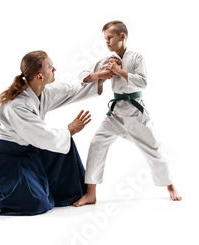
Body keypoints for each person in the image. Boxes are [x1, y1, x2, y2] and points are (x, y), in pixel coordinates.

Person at [0, 50, 114, 216]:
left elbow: (72, 90)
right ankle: (9, 189)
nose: (54, 69)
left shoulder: (42, 92)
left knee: (65, 145)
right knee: (36, 203)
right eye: (50, 67)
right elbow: (42, 136)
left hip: (28, 151)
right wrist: (70, 130)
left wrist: (98, 77)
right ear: (39, 76)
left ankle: (57, 189)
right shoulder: (17, 104)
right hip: (6, 161)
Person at [74, 21, 182, 207]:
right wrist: (99, 75)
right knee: (96, 144)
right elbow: (82, 76)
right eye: (105, 39)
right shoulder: (106, 60)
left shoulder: (137, 57)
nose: (107, 42)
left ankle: (170, 186)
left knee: (153, 148)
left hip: (136, 113)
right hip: (115, 115)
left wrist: (120, 72)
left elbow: (143, 82)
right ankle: (91, 193)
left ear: (122, 37)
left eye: (110, 38)